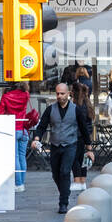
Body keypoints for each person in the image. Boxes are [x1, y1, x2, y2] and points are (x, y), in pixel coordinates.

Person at [32, 83, 93, 214]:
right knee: (55, 174)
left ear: (69, 94)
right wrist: (36, 138)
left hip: (70, 145)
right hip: (55, 145)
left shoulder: (76, 109)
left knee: (65, 172)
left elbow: (84, 129)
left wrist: (89, 148)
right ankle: (65, 192)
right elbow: (42, 126)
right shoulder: (50, 109)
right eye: (57, 93)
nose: (59, 96)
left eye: (62, 93)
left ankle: (63, 203)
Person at [0, 85, 34, 192]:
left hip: (12, 129)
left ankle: (18, 184)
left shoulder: (6, 97)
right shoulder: (26, 95)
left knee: (15, 158)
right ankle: (21, 183)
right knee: (22, 157)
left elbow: (0, 114)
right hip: (23, 130)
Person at [70, 81, 96, 192]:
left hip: (78, 135)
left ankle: (77, 181)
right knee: (84, 159)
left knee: (75, 159)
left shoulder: (76, 106)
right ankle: (83, 182)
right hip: (86, 135)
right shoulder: (88, 104)